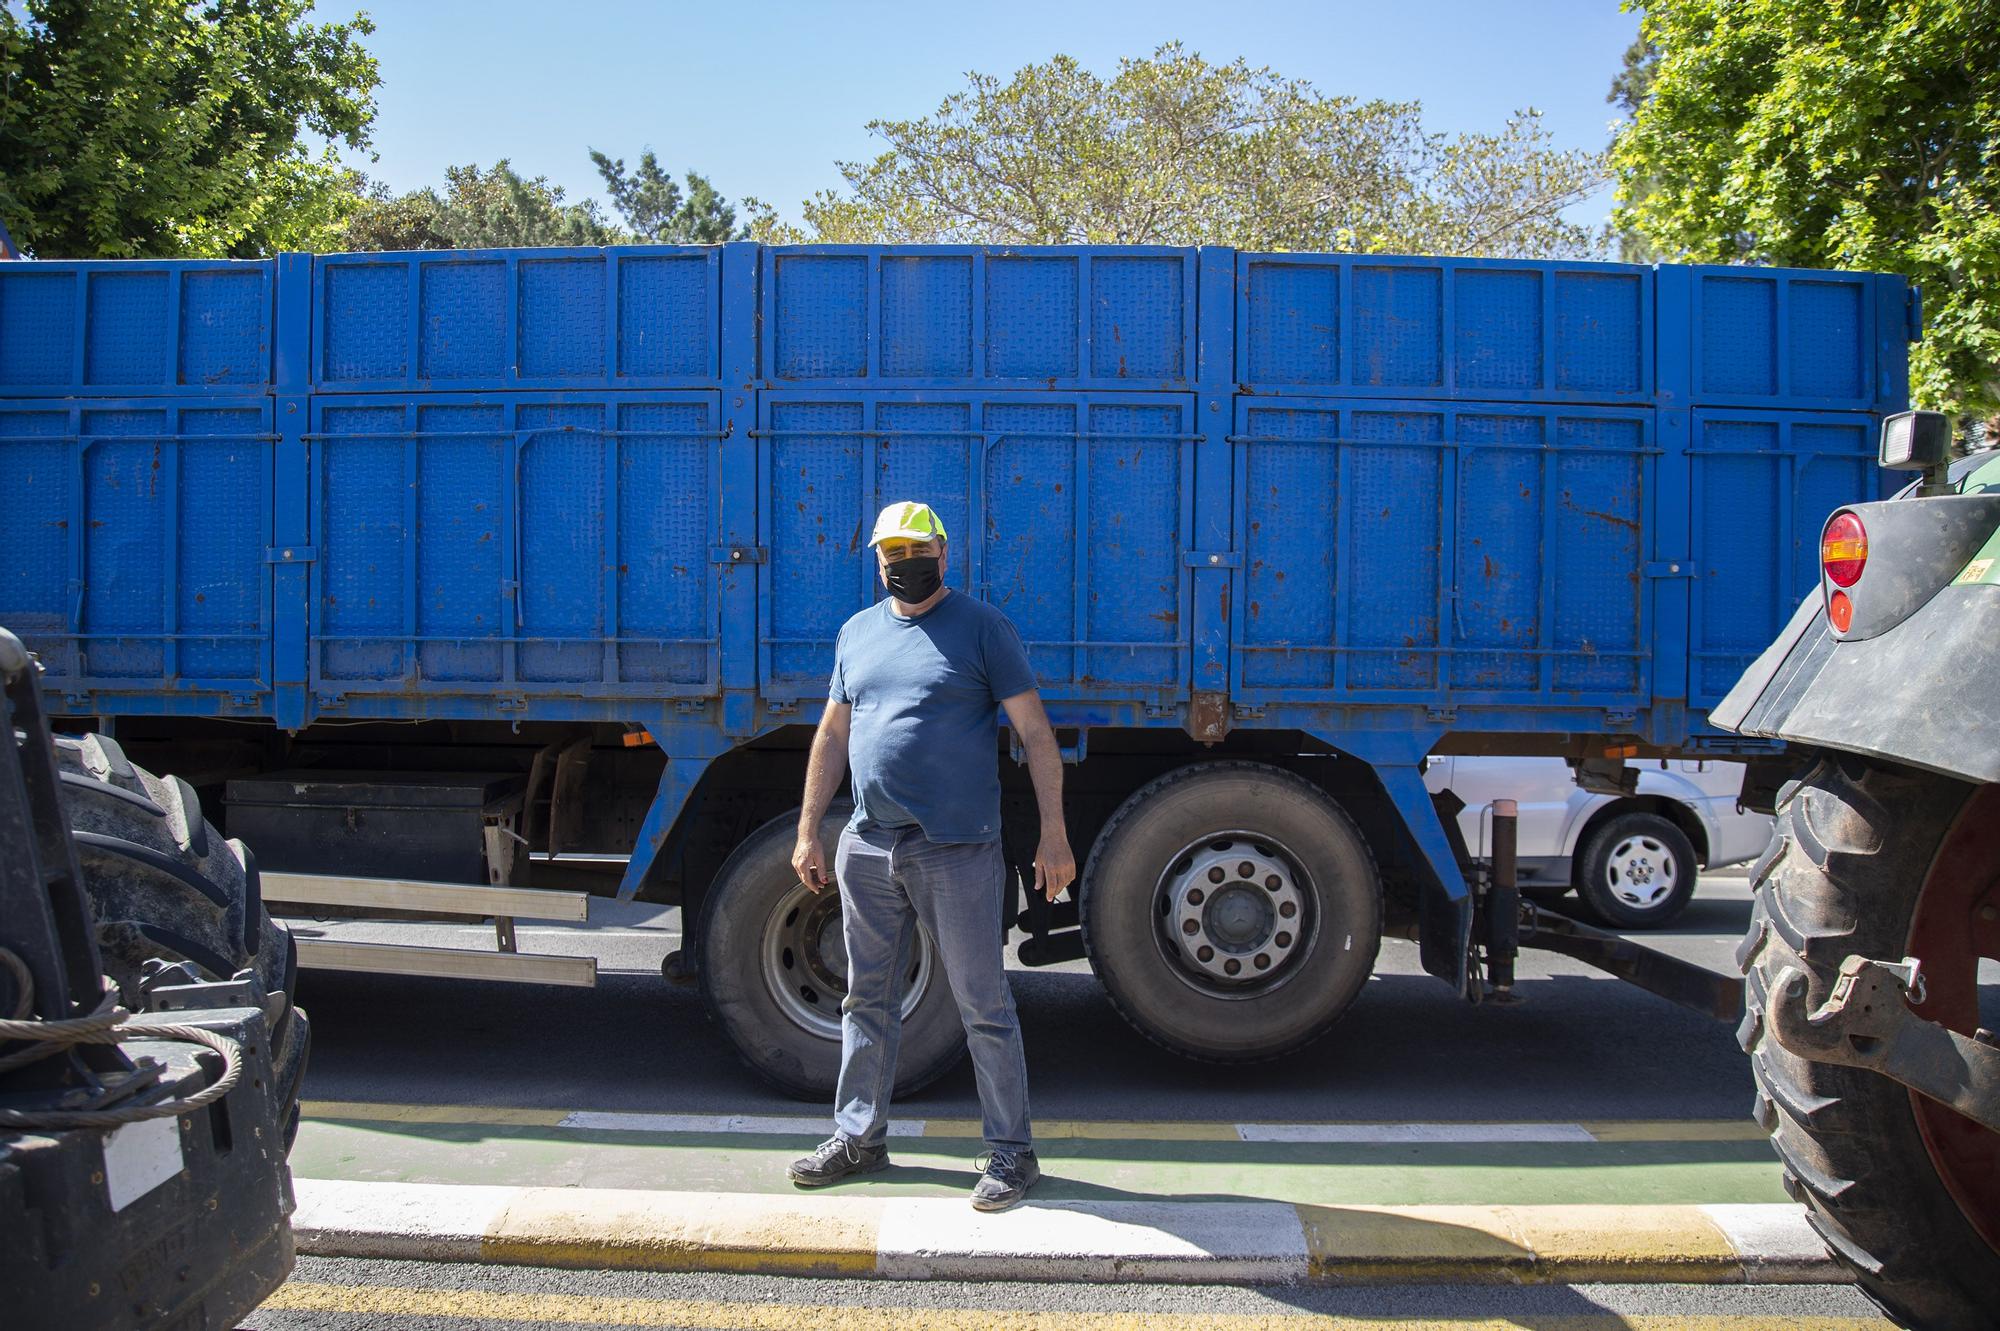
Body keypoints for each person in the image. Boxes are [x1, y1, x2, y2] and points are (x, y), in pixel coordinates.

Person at [787, 500, 1075, 1212]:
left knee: (982, 1002)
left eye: (916, 552)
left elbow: (1036, 732)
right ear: (877, 562)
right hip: (868, 843)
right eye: (891, 554)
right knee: (867, 998)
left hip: (958, 849)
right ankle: (860, 1137)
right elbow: (830, 734)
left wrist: (1054, 833)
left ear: (945, 555)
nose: (903, 565)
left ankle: (1012, 1153)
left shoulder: (983, 629)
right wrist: (808, 829)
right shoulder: (857, 633)